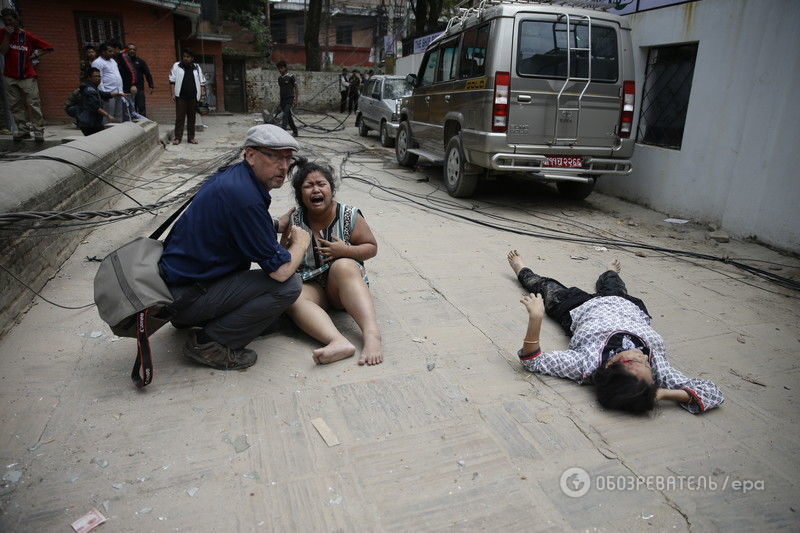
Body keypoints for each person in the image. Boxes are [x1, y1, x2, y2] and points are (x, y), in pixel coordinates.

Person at [159, 124, 311, 370]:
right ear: (250, 155)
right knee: (289, 285)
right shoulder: (245, 197)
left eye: (287, 158)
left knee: (262, 281)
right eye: (273, 156)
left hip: (177, 286)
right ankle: (209, 344)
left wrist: (273, 224)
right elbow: (281, 271)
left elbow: (231, 224)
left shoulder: (235, 178)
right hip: (184, 297)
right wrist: (301, 244)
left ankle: (200, 318)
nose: (283, 167)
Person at [508, 250, 724, 414]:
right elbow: (713, 392)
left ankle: (521, 269)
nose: (646, 360)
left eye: (638, 363)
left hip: (578, 308)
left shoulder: (587, 365)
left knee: (544, 286)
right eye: (647, 366)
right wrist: (656, 393)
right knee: (612, 281)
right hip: (625, 305)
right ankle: (610, 272)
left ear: (611, 365)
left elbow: (533, 361)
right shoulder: (656, 370)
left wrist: (536, 318)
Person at [278, 159, 382, 366]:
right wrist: (290, 244)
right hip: (313, 287)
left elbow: (371, 248)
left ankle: (372, 336)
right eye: (308, 186)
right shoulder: (295, 220)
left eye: (321, 184)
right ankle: (337, 342)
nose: (315, 189)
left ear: (331, 189)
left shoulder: (349, 215)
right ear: (300, 195)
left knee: (343, 265)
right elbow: (284, 257)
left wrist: (346, 251)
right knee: (292, 294)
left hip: (342, 286)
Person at [0, 8, 53, 142]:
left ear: (17, 20)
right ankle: (22, 130)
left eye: (10, 20)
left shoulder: (27, 36)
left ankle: (38, 131)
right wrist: (7, 35)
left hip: (28, 76)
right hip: (10, 76)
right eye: (5, 21)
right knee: (15, 105)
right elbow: (3, 51)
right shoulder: (2, 33)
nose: (8, 23)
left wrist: (35, 55)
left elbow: (48, 48)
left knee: (33, 103)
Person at [168, 49, 206, 144]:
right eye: (184, 56)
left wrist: (202, 94)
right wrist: (173, 93)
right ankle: (177, 138)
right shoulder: (177, 66)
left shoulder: (196, 67)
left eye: (188, 57)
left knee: (192, 118)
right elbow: (172, 81)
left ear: (192, 58)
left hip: (193, 96)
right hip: (181, 96)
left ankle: (191, 138)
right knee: (180, 117)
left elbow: (202, 81)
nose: (186, 58)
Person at [76, 67, 123, 136]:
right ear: (89, 78)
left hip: (93, 122)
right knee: (99, 138)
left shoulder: (93, 88)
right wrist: (108, 115)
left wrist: (119, 94)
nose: (99, 78)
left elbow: (104, 94)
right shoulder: (89, 90)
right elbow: (95, 106)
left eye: (99, 76)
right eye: (96, 76)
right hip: (89, 123)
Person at [91, 42, 128, 124]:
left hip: (118, 92)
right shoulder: (97, 62)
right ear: (103, 52)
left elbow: (117, 75)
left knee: (118, 115)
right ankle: (107, 133)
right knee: (108, 115)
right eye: (110, 51)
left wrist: (120, 91)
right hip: (108, 93)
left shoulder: (113, 61)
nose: (112, 53)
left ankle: (119, 132)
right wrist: (104, 93)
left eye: (112, 51)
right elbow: (97, 79)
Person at [125, 43, 153, 116]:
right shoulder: (123, 62)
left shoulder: (140, 61)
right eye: (130, 49)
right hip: (127, 89)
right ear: (127, 50)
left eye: (134, 49)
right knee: (130, 108)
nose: (132, 51)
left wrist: (151, 85)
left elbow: (147, 73)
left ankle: (142, 124)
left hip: (139, 88)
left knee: (141, 107)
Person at [275, 60, 298, 137]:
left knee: (285, 114)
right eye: (278, 69)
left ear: (285, 68)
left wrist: (296, 100)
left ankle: (282, 131)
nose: (280, 70)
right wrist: (280, 104)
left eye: (281, 68)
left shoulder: (291, 77)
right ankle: (295, 131)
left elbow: (296, 88)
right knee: (288, 117)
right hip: (283, 100)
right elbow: (281, 91)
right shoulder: (280, 79)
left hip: (290, 99)